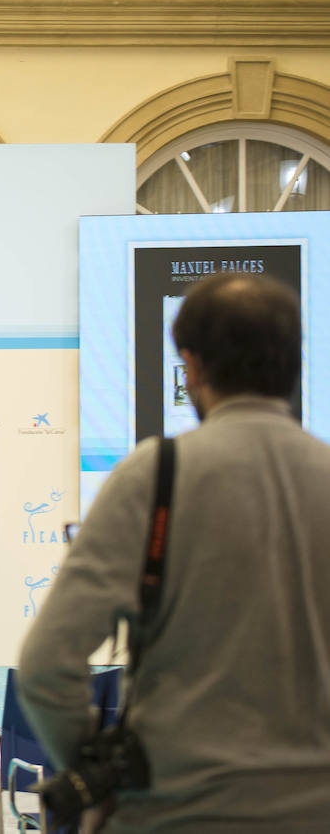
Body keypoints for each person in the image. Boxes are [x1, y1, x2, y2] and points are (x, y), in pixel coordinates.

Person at [18, 272, 330, 833]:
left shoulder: (156, 475)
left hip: (174, 809)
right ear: (294, 361)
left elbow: (46, 668)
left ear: (191, 364)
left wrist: (97, 773)